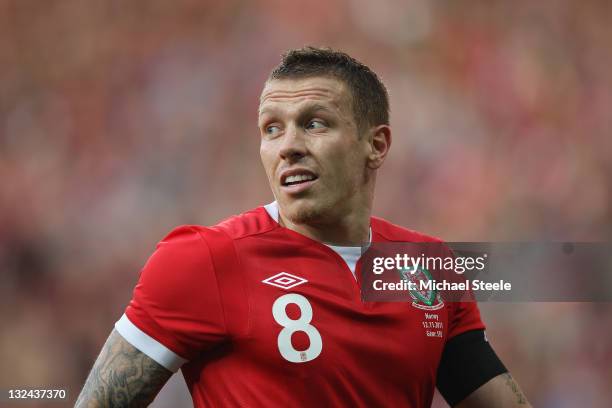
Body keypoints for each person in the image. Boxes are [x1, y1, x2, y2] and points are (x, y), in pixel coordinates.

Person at [75, 47, 530, 407]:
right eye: (271, 129)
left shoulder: (428, 266)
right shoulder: (205, 259)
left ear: (376, 144)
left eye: (314, 123)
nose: (288, 146)